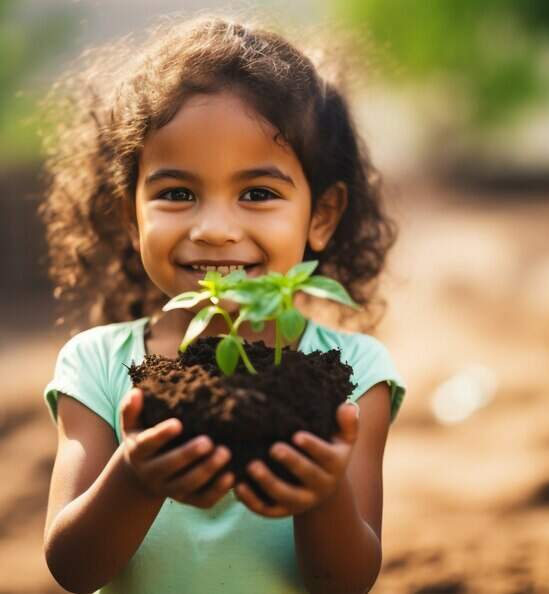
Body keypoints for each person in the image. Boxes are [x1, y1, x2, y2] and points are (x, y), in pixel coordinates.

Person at [39, 14, 406, 594]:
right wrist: (135, 478)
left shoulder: (353, 376)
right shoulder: (98, 365)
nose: (214, 228)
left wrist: (323, 492)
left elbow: (349, 581)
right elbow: (73, 568)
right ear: (128, 216)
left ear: (322, 216)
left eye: (257, 193)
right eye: (177, 193)